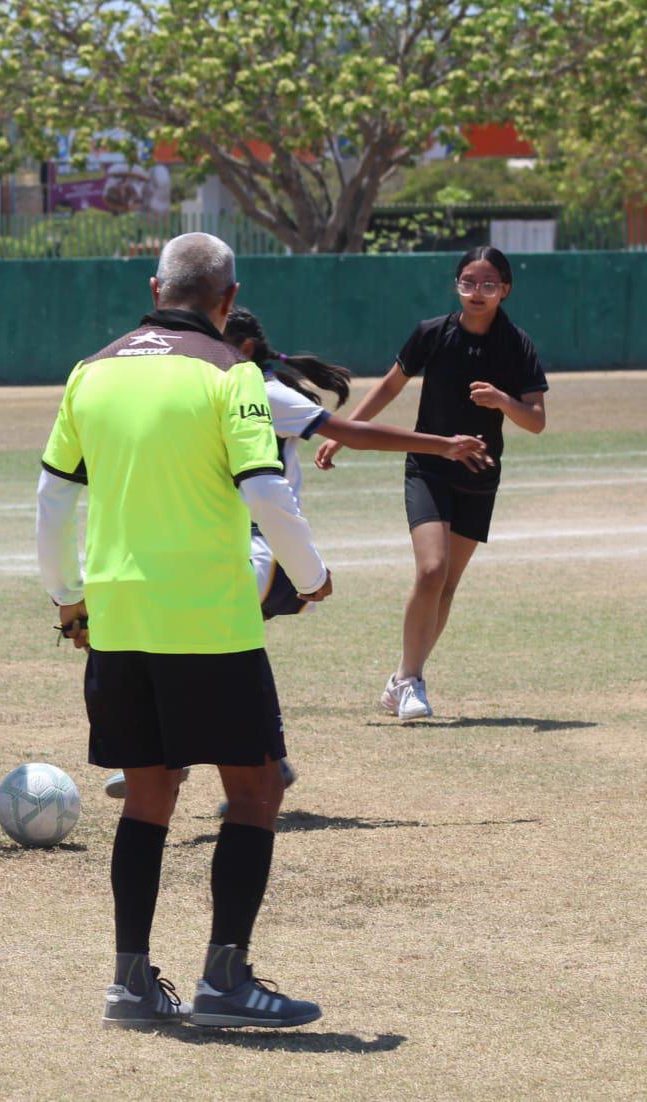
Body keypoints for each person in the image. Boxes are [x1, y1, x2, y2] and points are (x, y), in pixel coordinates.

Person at [37, 233, 330, 1029]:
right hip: (208, 618)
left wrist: (68, 598)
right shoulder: (231, 373)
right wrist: (310, 575)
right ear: (228, 299)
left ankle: (130, 985)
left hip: (119, 618)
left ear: (155, 284)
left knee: (151, 796)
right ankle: (225, 982)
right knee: (257, 788)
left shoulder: (90, 371)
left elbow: (53, 501)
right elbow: (266, 487)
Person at [100, 307, 491, 802]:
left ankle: (184, 757)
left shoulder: (258, 391)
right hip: (217, 543)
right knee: (206, 647)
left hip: (263, 547)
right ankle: (247, 756)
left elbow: (352, 433)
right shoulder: (211, 386)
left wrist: (442, 446)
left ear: (240, 349)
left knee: (200, 641)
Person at [314, 246, 548, 721]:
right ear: (456, 285)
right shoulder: (432, 334)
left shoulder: (516, 344)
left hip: (480, 474)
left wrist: (503, 400)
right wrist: (341, 434)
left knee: (446, 585)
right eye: (467, 282)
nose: (476, 292)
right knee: (430, 569)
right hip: (429, 465)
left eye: (487, 284)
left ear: (505, 289)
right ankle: (410, 682)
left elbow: (537, 421)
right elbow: (389, 387)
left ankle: (403, 678)